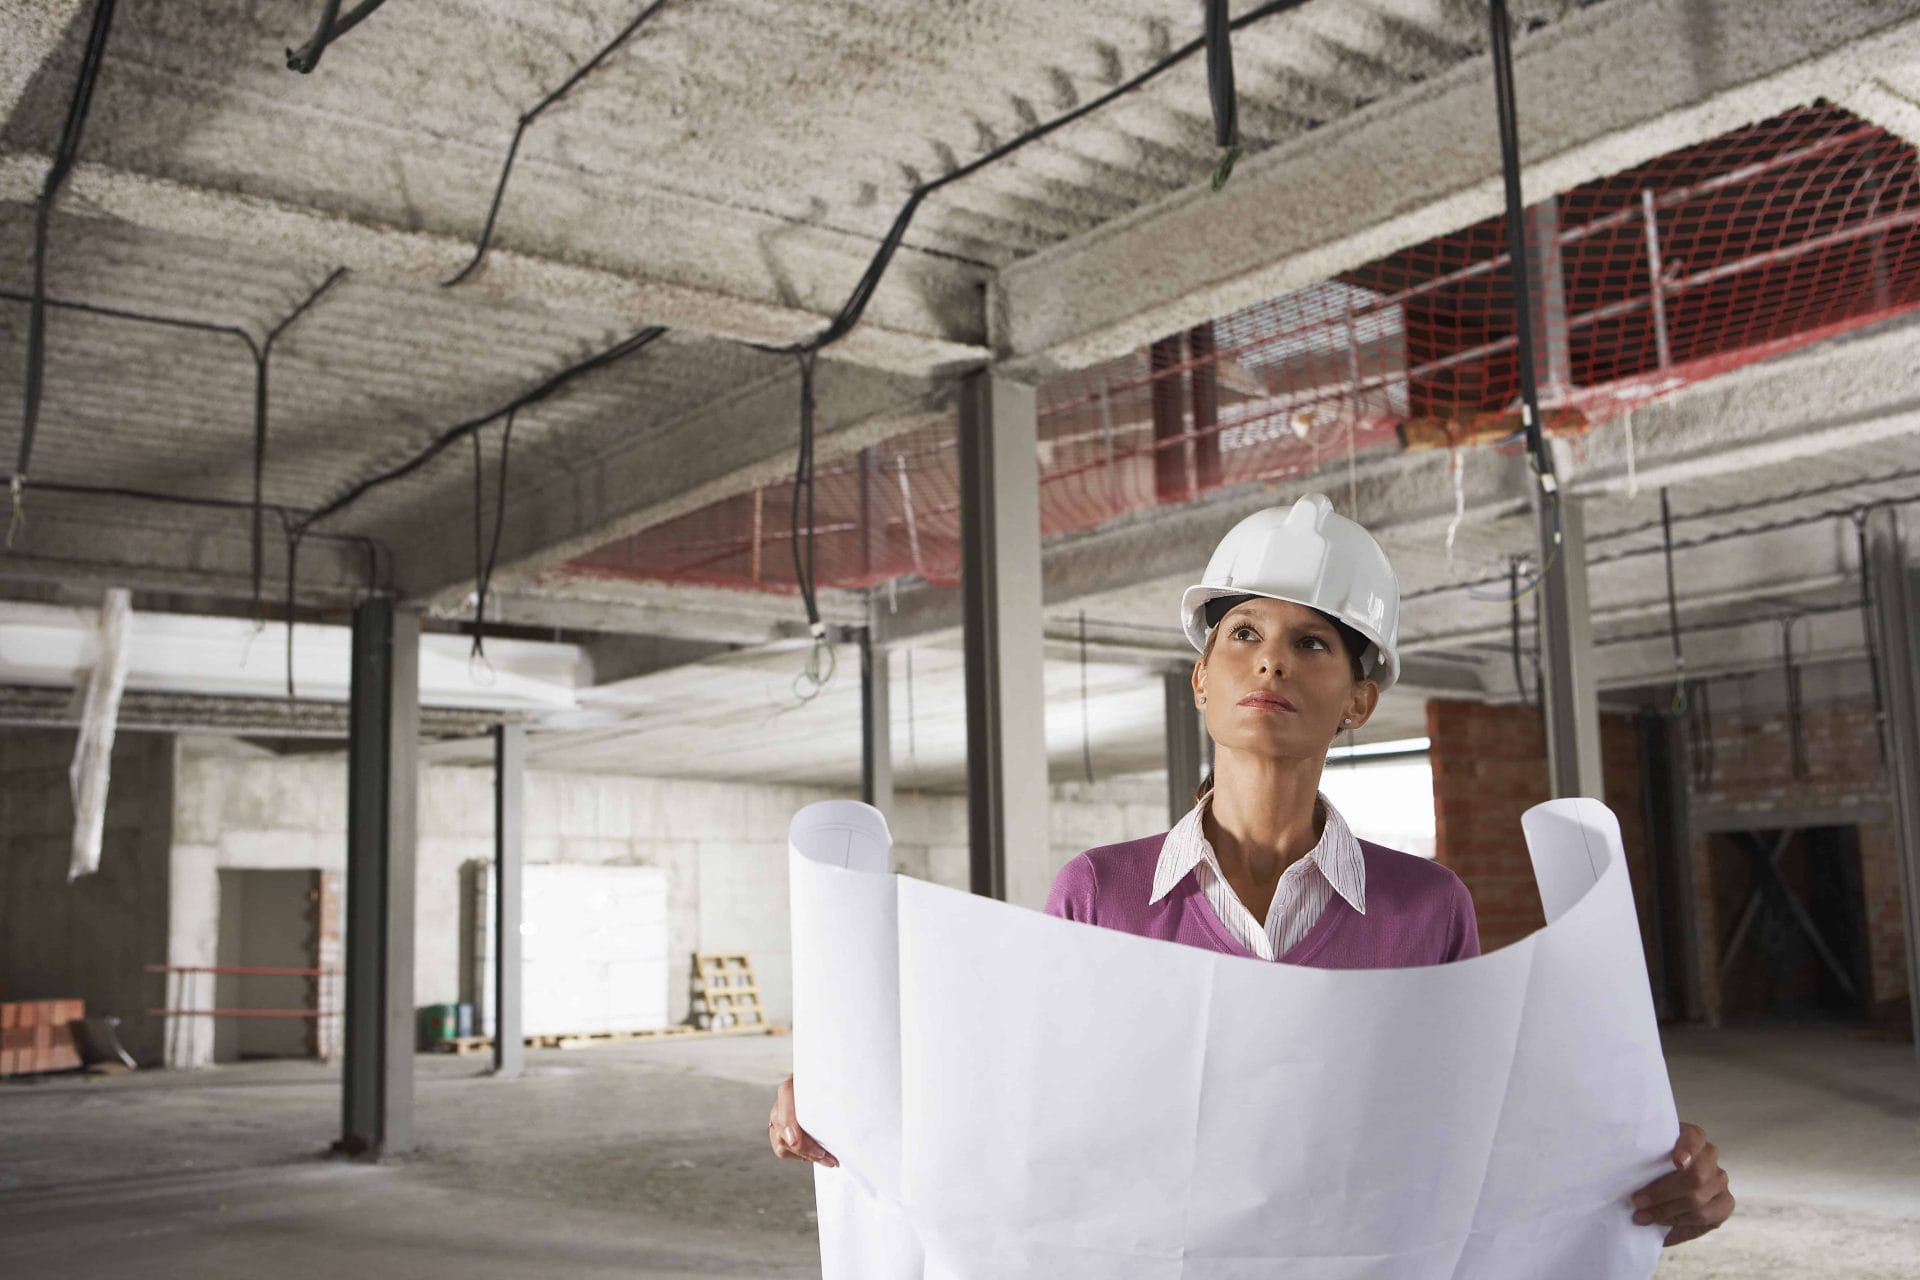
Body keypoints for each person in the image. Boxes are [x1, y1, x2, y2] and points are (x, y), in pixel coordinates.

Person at [770, 493, 1734, 1247]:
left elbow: (1476, 1129)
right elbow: (1031, 1101)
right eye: (1243, 634)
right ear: (1202, 678)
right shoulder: (1098, 892)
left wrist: (1645, 1175)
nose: (1270, 662)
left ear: (1358, 699)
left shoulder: (1425, 908)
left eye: (1311, 642)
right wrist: (852, 1096)